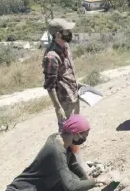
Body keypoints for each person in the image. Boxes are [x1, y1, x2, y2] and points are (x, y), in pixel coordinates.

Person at [6, 115, 111, 191]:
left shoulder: (63, 140)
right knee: (73, 183)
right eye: (85, 136)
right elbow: (71, 186)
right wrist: (96, 181)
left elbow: (73, 164)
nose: (85, 139)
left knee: (77, 180)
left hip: (41, 186)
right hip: (22, 189)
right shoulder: (57, 151)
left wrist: (86, 178)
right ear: (76, 134)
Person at [42, 18, 89, 173]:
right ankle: (67, 168)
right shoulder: (51, 57)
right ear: (57, 35)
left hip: (73, 96)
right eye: (66, 31)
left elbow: (67, 73)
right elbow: (50, 85)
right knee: (67, 135)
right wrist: (57, 108)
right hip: (64, 101)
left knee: (76, 133)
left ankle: (77, 162)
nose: (70, 33)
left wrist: (77, 84)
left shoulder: (66, 47)